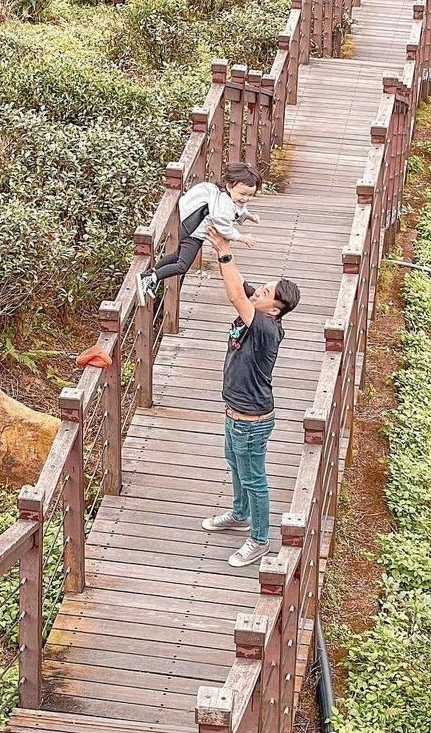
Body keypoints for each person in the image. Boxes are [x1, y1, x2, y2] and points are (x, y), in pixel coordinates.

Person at [201, 224, 300, 568]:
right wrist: (222, 248)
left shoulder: (264, 326)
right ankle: (240, 514)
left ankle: (259, 540)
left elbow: (235, 296)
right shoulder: (260, 311)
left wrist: (225, 253)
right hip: (234, 413)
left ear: (275, 309)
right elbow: (240, 284)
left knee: (254, 479)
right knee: (234, 464)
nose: (258, 290)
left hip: (251, 421)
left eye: (266, 291)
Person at [137, 162, 262, 307]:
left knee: (177, 256)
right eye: (242, 194)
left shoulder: (229, 196)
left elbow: (238, 210)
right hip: (193, 233)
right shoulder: (223, 205)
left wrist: (248, 216)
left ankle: (150, 275)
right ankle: (151, 278)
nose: (245, 199)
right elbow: (224, 229)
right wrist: (242, 237)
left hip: (190, 228)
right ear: (229, 186)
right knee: (182, 266)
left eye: (250, 195)